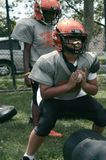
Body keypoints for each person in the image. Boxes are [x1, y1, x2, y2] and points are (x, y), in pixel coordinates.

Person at [21, 19, 106, 160]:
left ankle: (95, 145)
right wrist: (68, 85)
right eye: (70, 38)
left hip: (77, 95)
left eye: (79, 39)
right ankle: (28, 156)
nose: (76, 42)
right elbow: (45, 94)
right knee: (44, 125)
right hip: (53, 97)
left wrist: (84, 84)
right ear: (58, 40)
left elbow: (94, 90)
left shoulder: (89, 59)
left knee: (102, 117)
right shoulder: (47, 61)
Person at [11, 0, 62, 137]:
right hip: (37, 67)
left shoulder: (52, 26)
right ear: (40, 11)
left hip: (52, 67)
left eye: (54, 13)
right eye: (49, 13)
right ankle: (38, 128)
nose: (52, 16)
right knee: (38, 97)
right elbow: (26, 51)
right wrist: (27, 72)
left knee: (51, 97)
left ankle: (41, 122)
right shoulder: (30, 25)